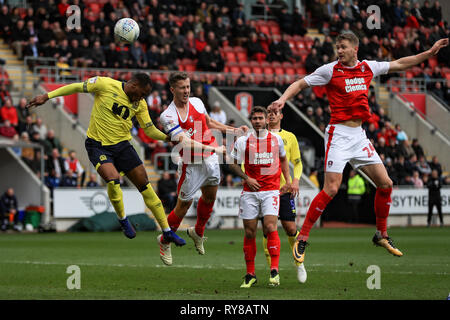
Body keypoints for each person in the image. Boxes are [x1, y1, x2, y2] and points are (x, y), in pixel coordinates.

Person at [272, 32, 448, 265]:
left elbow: (400, 63)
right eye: (338, 47)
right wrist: (283, 99)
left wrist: (428, 53)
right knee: (332, 189)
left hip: (359, 136)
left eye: (343, 47)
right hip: (338, 134)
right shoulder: (330, 70)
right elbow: (300, 83)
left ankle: (381, 234)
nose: (339, 50)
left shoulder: (368, 67)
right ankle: (302, 237)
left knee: (386, 184)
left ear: (355, 49)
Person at [26, 73, 186, 249]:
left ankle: (167, 231)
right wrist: (47, 96)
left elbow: (149, 130)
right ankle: (123, 220)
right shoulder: (104, 84)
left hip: (123, 146)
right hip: (98, 146)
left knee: (145, 185)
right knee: (113, 178)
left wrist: (167, 138)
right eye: (143, 93)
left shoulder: (139, 104)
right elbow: (76, 87)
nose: (143, 97)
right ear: (134, 85)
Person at [159, 71, 247, 266]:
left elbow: (209, 122)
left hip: (210, 160)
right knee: (183, 206)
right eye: (182, 88)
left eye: (188, 87)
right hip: (191, 163)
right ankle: (164, 240)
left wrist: (233, 130)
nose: (186, 91)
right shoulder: (168, 116)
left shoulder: (197, 102)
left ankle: (198, 232)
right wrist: (215, 148)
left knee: (209, 198)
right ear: (172, 89)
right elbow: (186, 143)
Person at [229, 106, 291, 288]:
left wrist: (287, 180)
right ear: (251, 120)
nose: (257, 121)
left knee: (270, 227)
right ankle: (250, 274)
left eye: (260, 118)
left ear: (266, 120)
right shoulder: (243, 141)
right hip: (249, 192)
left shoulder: (276, 139)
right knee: (249, 232)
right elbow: (232, 164)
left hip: (271, 190)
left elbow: (284, 159)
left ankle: (274, 270)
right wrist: (246, 177)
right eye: (254, 118)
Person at [261, 104, 306, 283]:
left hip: (284, 190)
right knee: (267, 230)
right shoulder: (259, 136)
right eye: (269, 113)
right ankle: (274, 271)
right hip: (265, 189)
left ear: (281, 116)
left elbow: (298, 162)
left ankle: (299, 262)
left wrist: (295, 180)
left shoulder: (289, 137)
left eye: (275, 113)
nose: (271, 115)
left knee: (290, 228)